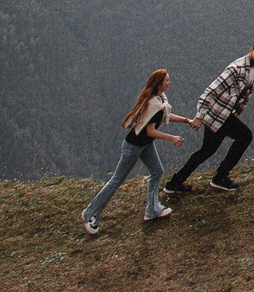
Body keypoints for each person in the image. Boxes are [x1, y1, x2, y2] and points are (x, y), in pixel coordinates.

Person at [82, 68, 199, 236]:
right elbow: (150, 130)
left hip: (144, 144)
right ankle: (90, 213)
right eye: (167, 80)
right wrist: (171, 138)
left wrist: (185, 120)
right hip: (134, 147)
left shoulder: (158, 100)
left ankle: (152, 210)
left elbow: (165, 115)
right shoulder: (155, 104)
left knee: (157, 170)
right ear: (159, 84)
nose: (169, 82)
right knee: (116, 180)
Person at [165, 39, 254, 194]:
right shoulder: (236, 69)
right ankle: (219, 178)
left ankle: (175, 183)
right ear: (251, 50)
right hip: (216, 116)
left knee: (207, 151)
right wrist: (199, 116)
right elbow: (210, 92)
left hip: (224, 116)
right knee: (245, 137)